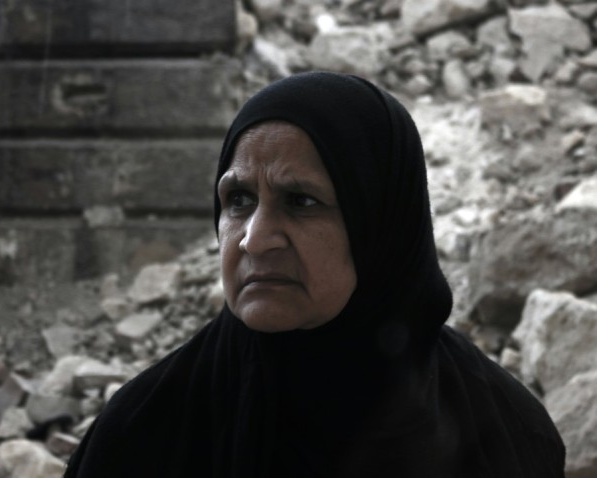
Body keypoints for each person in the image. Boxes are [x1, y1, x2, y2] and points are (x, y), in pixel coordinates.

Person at [63, 72, 565, 477]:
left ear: (381, 227)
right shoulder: (143, 437)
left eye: (300, 202)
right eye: (238, 200)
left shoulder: (507, 435)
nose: (255, 239)